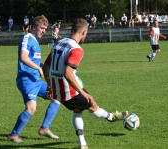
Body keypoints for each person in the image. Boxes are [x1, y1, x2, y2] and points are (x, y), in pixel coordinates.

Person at [42, 18, 129, 149]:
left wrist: (50, 85)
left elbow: (45, 66)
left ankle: (82, 144)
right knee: (93, 106)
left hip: (58, 91)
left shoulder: (58, 43)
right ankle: (112, 117)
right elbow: (68, 73)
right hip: (70, 91)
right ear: (83, 32)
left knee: (77, 111)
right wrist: (82, 92)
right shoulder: (77, 49)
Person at [7, 15, 60, 143]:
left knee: (56, 97)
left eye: (45, 29)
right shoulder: (27, 38)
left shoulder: (35, 41)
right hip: (26, 79)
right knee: (31, 108)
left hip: (35, 80)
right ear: (34, 27)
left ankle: (44, 128)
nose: (44, 31)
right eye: (42, 28)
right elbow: (23, 57)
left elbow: (33, 60)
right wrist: (38, 68)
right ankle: (13, 136)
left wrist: (43, 66)